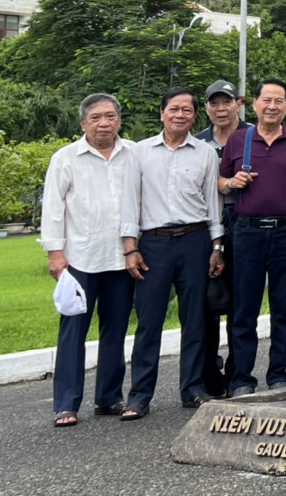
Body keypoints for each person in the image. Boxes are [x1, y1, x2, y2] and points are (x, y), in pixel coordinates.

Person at [120, 88, 224, 419]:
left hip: (195, 240)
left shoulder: (205, 153)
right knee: (149, 321)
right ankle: (140, 395)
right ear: (162, 112)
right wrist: (130, 247)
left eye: (187, 111)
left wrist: (217, 246)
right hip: (153, 243)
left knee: (195, 319)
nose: (180, 115)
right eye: (173, 109)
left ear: (195, 116)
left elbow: (213, 203)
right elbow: (129, 202)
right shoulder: (139, 152)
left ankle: (192, 389)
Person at [40, 93, 138, 427]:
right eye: (95, 118)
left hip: (121, 259)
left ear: (119, 121)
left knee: (116, 330)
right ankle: (66, 402)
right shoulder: (66, 158)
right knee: (73, 332)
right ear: (83, 123)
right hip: (79, 259)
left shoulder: (133, 154)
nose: (104, 123)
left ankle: (109, 397)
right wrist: (55, 253)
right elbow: (52, 207)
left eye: (110, 116)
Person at [220, 78, 286, 395]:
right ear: (255, 104)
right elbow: (221, 182)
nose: (272, 106)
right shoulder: (238, 140)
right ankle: (241, 378)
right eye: (267, 100)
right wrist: (232, 182)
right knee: (244, 310)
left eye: (279, 100)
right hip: (247, 232)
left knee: (283, 308)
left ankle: (279, 374)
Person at [196, 79, 245, 397]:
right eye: (214, 103)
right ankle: (208, 374)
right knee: (206, 304)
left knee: (241, 303)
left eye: (226, 102)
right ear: (207, 108)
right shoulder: (198, 143)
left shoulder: (254, 136)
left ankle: (238, 372)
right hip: (206, 228)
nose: (220, 108)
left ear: (238, 104)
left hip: (244, 225)